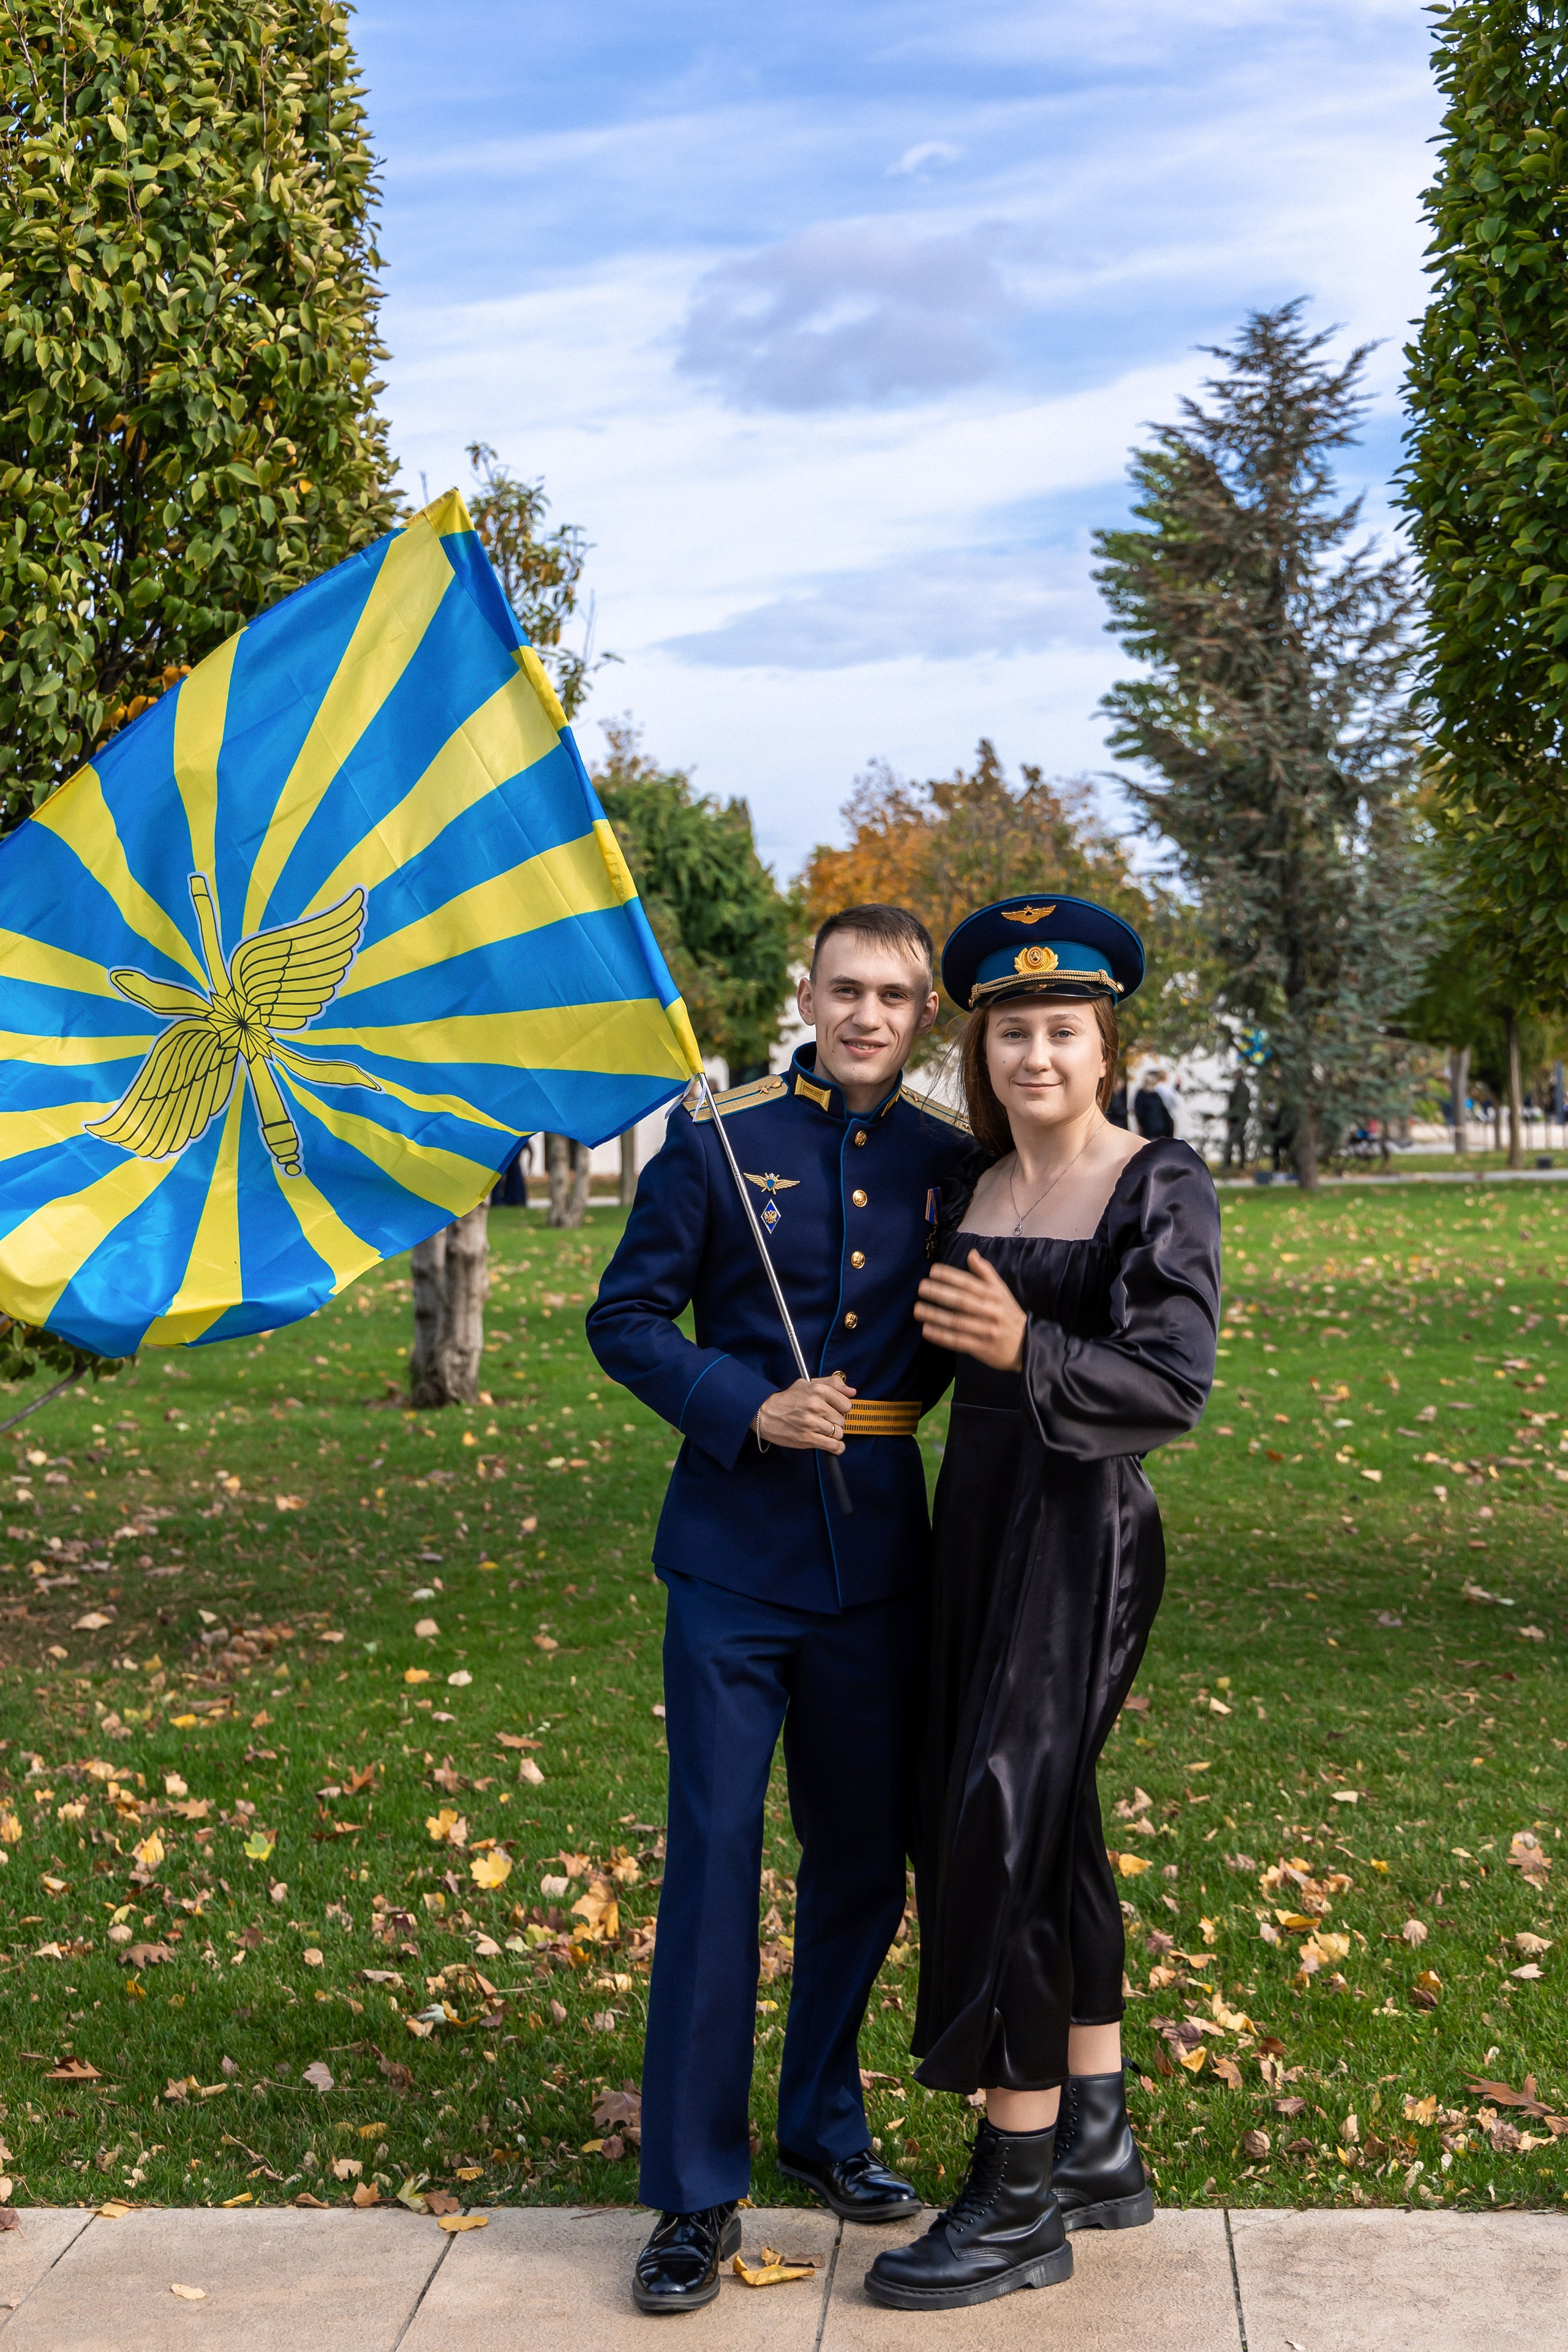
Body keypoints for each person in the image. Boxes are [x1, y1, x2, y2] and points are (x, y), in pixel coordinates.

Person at [586, 904, 974, 2316]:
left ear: (924, 1011)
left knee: (862, 1857)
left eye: (895, 993)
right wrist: (746, 1404)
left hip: (876, 1559)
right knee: (712, 1854)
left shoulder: (949, 1162)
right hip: (732, 1561)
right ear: (804, 990)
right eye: (845, 986)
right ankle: (692, 2186)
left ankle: (821, 2118)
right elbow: (622, 1318)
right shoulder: (717, 1141)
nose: (867, 1012)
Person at [863, 894, 1220, 2313]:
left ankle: (1013, 2196)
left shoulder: (1155, 1183)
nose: (1033, 1054)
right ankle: (1094, 2135)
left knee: (993, 1820)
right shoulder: (968, 1186)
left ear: (1100, 1037)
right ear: (981, 1044)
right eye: (1009, 1030)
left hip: (1082, 1535)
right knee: (1046, 1814)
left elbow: (1171, 1382)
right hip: (972, 1526)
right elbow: (918, 1351)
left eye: (1059, 1028)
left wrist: (1032, 1342)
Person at [1131, 1068, 1175, 1139]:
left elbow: (1139, 1112)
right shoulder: (1149, 1095)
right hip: (1154, 1129)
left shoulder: (1154, 1095)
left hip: (1155, 1129)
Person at [1223, 1071, 1251, 1170]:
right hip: (1237, 1119)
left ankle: (1232, 1164)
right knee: (1237, 1142)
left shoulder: (1242, 1089)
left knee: (1235, 1142)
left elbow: (1240, 1105)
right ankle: (1233, 1164)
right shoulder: (1238, 1089)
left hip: (1239, 1119)